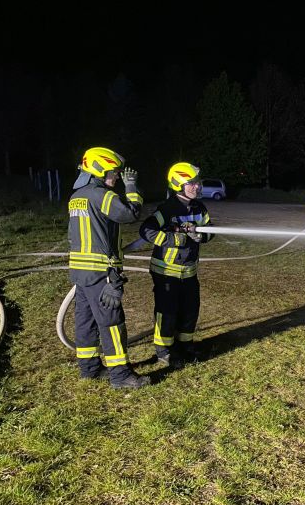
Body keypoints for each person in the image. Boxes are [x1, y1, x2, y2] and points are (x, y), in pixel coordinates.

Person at [67, 147, 149, 389]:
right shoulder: (102, 195)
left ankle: (89, 368)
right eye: (113, 172)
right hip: (101, 272)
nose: (117, 177)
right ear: (99, 171)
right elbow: (131, 213)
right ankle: (120, 375)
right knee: (112, 322)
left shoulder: (76, 197)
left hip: (81, 272)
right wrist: (132, 187)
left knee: (86, 322)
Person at [139, 162, 214, 368]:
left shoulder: (200, 208)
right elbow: (146, 230)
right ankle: (164, 351)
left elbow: (211, 230)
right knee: (167, 312)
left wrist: (201, 236)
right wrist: (175, 239)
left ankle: (185, 345)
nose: (197, 186)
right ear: (178, 185)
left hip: (189, 272)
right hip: (166, 272)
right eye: (191, 183)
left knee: (190, 309)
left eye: (197, 182)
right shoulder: (167, 209)